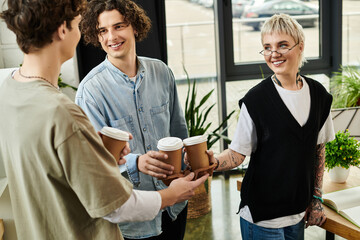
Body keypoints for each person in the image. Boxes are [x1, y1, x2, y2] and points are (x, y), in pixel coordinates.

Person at [0, 0, 208, 239]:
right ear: (62, 30)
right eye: (79, 25)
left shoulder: (7, 90)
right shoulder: (64, 113)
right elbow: (114, 205)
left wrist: (98, 154)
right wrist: (170, 195)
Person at [207, 14, 334, 239]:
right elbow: (237, 154)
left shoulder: (319, 95)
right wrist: (213, 162)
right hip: (261, 218)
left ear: (300, 46)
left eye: (282, 45)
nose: (274, 54)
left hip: (297, 215)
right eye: (267, 47)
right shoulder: (255, 100)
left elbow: (318, 149)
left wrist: (316, 198)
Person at [76, 0, 189, 239]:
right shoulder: (90, 91)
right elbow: (94, 162)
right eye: (102, 31)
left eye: (119, 26)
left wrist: (193, 159)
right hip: (133, 218)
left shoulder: (162, 72)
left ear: (135, 27)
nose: (111, 37)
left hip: (174, 206)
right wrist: (135, 162)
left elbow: (179, 132)